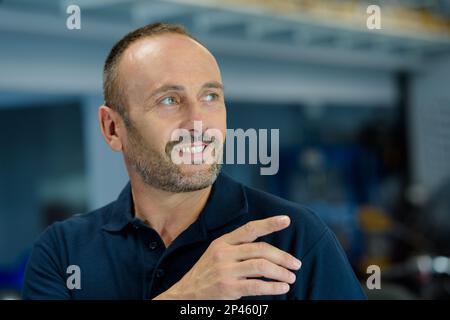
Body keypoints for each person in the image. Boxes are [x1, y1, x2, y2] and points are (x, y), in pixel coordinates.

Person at [22, 22, 366, 300]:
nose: (198, 123)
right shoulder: (62, 253)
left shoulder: (295, 236)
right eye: (169, 100)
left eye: (210, 96)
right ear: (113, 128)